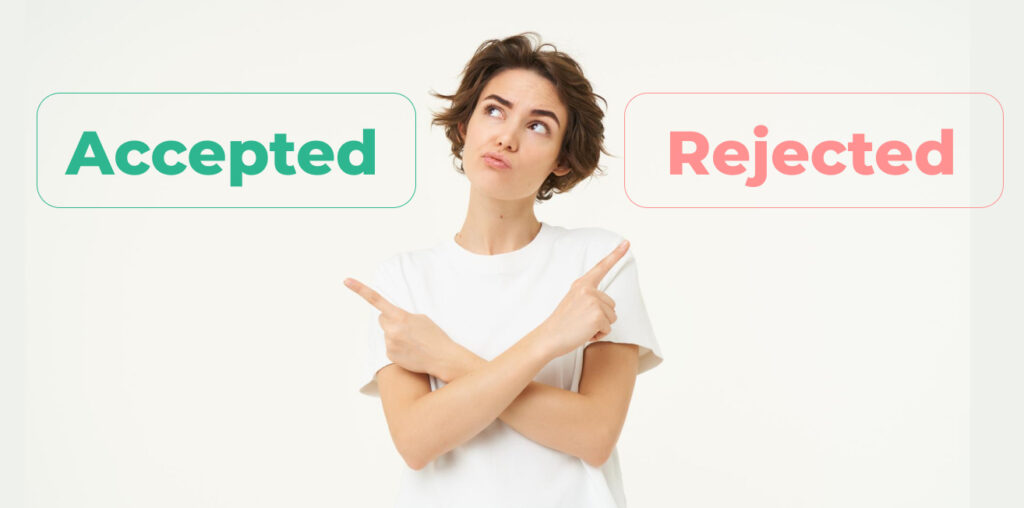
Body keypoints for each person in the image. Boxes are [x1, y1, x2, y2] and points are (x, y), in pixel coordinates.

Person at [344, 32, 664, 508]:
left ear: (562, 160)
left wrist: (447, 360)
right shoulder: (403, 279)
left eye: (538, 126)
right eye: (494, 110)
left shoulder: (597, 262)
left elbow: (595, 435)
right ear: (464, 127)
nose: (506, 138)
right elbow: (417, 442)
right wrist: (549, 339)